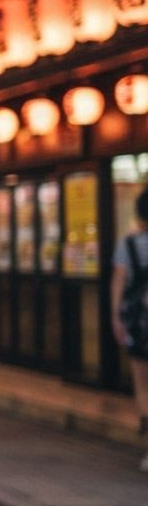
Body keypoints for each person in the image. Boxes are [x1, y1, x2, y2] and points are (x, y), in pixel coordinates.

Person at [110, 189, 148, 471]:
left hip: (140, 321)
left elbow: (119, 281)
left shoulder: (129, 244)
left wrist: (116, 317)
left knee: (143, 384)